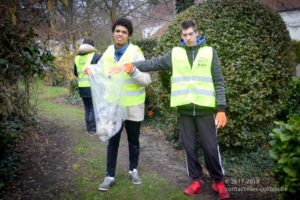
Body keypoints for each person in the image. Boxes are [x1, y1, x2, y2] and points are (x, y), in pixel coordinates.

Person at [110, 20, 230, 199]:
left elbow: (219, 81)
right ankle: (196, 180)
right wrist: (132, 66)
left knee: (210, 148)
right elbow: (154, 63)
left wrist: (221, 108)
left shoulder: (209, 52)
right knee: (189, 148)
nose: (188, 37)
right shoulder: (175, 54)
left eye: (191, 34)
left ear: (196, 33)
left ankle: (218, 181)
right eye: (184, 35)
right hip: (185, 111)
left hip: (205, 110)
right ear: (181, 36)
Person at [95, 18, 151, 191]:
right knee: (113, 142)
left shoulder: (135, 52)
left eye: (124, 32)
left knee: (134, 141)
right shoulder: (107, 52)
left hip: (133, 106)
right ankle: (109, 176)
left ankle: (133, 170)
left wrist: (132, 70)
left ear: (129, 35)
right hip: (114, 107)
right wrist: (91, 70)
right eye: (117, 31)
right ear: (113, 33)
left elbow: (146, 79)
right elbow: (100, 73)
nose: (120, 34)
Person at [74, 38, 101, 135]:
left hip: (82, 87)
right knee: (93, 108)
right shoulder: (96, 56)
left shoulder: (77, 58)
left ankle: (88, 128)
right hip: (92, 87)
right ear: (92, 47)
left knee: (87, 108)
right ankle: (92, 129)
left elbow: (76, 73)